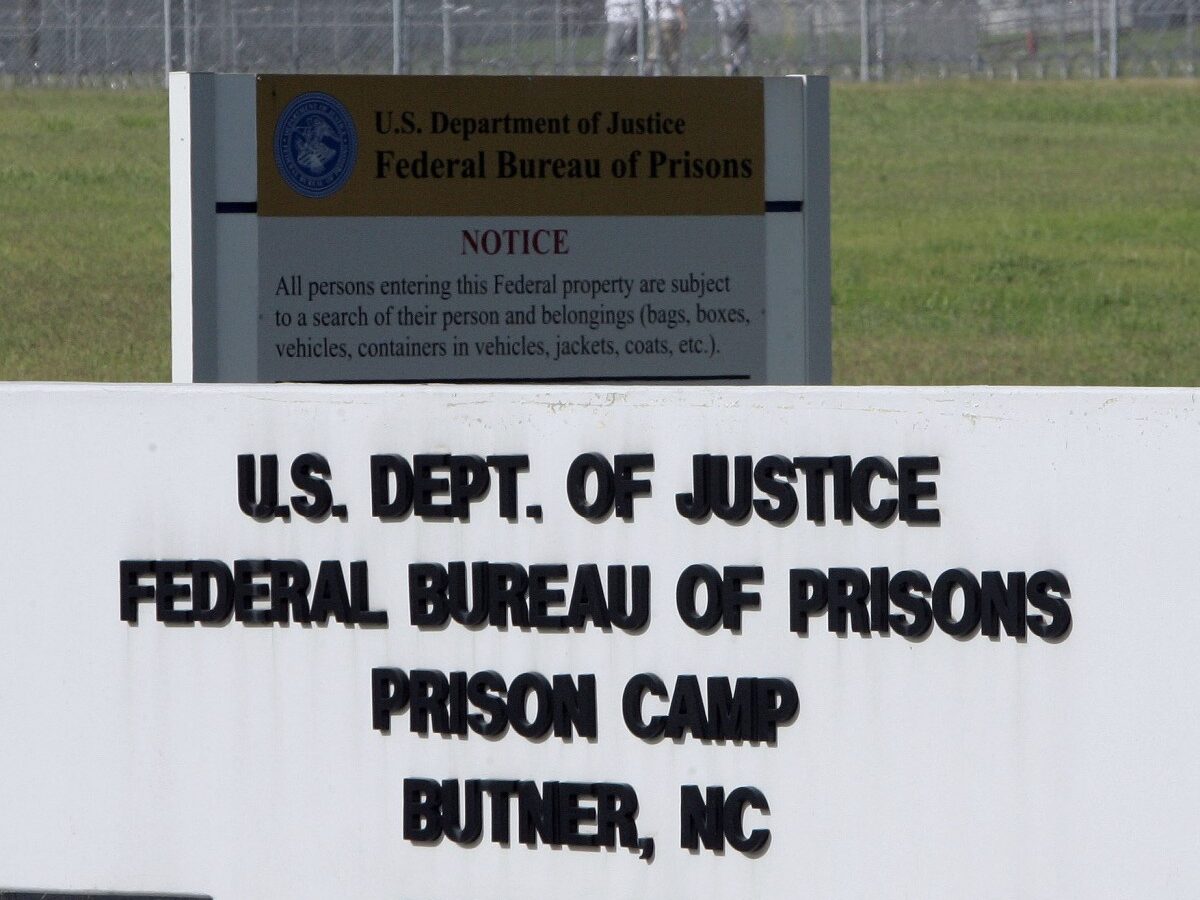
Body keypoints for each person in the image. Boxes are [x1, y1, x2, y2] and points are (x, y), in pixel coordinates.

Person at [603, 0, 640, 75]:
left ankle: (640, 69)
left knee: (632, 51)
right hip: (615, 21)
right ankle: (611, 72)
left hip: (632, 21)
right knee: (612, 49)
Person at [651, 0, 687, 76]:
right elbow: (679, 8)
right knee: (672, 53)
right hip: (668, 22)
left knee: (656, 52)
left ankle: (649, 70)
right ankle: (673, 72)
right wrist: (683, 23)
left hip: (658, 22)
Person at [714, 0, 750, 76]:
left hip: (740, 25)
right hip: (726, 25)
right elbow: (718, 8)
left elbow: (745, 8)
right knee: (727, 52)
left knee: (741, 51)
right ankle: (729, 72)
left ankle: (736, 67)